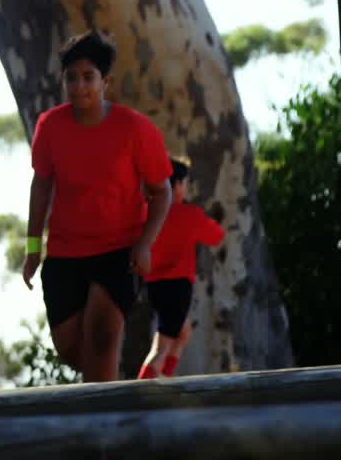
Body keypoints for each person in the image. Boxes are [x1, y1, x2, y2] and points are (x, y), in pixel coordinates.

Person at [21, 30, 173, 382]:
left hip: (118, 252)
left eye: (88, 78)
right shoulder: (50, 127)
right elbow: (41, 186)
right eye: (71, 78)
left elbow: (161, 191)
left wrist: (145, 242)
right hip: (64, 255)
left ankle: (104, 433)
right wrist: (32, 248)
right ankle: (110, 407)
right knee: (75, 353)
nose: (79, 87)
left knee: (102, 342)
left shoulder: (135, 129)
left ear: (105, 81)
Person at [137, 158, 225, 379]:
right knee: (161, 347)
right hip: (178, 288)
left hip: (154, 287)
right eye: (184, 183)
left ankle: (166, 377)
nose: (186, 187)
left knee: (183, 331)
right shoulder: (189, 214)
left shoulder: (147, 214)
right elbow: (216, 236)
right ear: (175, 185)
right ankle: (138, 394)